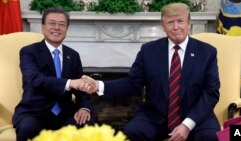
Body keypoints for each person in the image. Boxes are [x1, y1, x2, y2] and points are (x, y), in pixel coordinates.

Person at [82, 3, 221, 141]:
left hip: (196, 117)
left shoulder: (207, 52)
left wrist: (187, 124)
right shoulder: (149, 51)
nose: (176, 27)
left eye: (180, 21)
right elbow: (132, 83)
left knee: (211, 137)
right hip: (156, 115)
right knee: (133, 131)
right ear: (163, 26)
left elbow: (211, 92)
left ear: (189, 23)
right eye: (170, 22)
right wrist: (98, 86)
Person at [12, 7, 95, 141]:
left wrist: (84, 108)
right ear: (43, 27)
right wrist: (70, 83)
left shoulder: (73, 55)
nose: (57, 28)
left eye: (62, 24)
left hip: (64, 113)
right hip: (35, 112)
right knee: (28, 128)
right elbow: (35, 79)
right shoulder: (29, 52)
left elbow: (81, 91)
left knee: (88, 124)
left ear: (66, 29)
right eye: (52, 23)